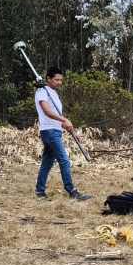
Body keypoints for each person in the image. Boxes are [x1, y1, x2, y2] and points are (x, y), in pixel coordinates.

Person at [34, 67, 91, 201]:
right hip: (49, 132)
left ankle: (39, 190)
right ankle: (72, 191)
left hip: (54, 130)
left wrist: (72, 130)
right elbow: (47, 112)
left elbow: (56, 117)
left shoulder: (53, 93)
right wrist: (64, 119)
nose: (59, 82)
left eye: (61, 80)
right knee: (64, 160)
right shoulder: (42, 91)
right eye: (56, 80)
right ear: (48, 79)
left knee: (47, 163)